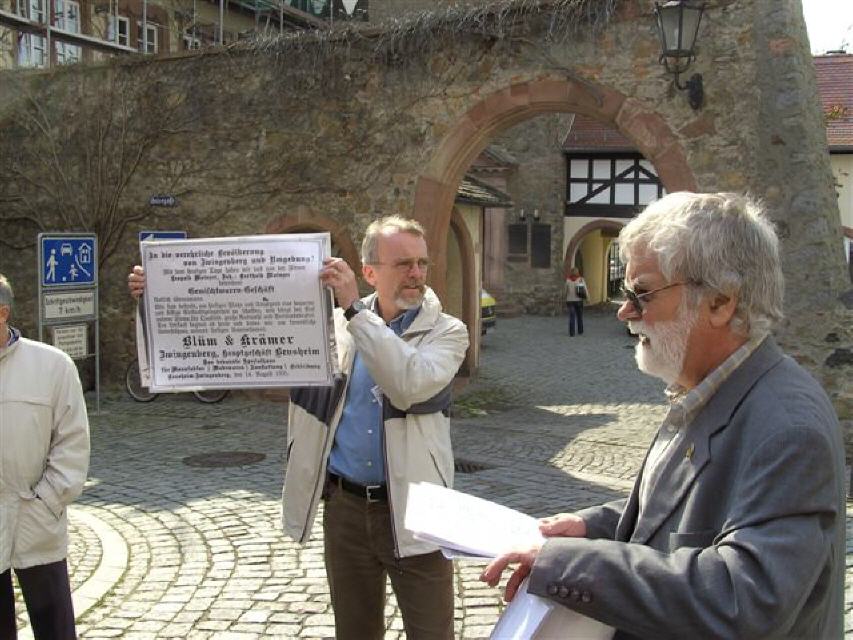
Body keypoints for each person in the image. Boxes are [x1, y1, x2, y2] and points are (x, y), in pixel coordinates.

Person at [481, 192, 845, 639]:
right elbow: (684, 510)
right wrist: (592, 526)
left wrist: (566, 565)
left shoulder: (788, 428)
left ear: (720, 302)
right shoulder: (708, 386)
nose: (625, 311)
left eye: (643, 294)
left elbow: (745, 597)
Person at [128, 216, 469, 639]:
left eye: (421, 263)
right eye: (403, 264)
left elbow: (407, 383)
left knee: (433, 634)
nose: (416, 274)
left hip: (420, 513)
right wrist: (160, 294)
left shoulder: (448, 332)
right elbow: (237, 325)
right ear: (370, 272)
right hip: (345, 510)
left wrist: (353, 310)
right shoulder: (330, 329)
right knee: (355, 632)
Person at [0, 273, 90, 640]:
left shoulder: (52, 366)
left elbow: (73, 441)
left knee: (54, 627)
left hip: (35, 516)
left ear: (2, 313)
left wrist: (48, 500)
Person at [564, 267, 586, 336]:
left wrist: (564, 297)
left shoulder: (568, 280)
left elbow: (565, 290)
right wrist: (587, 298)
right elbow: (585, 289)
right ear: (577, 272)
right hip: (578, 300)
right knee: (579, 316)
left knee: (572, 316)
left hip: (570, 300)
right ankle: (580, 330)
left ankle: (572, 332)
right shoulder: (581, 279)